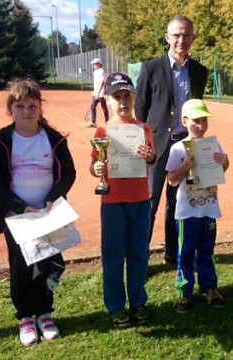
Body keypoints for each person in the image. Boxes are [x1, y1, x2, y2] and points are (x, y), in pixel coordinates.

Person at [0, 78, 76, 346]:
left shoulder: (54, 139)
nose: (26, 111)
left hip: (49, 216)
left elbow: (68, 174)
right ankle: (25, 317)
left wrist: (51, 199)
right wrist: (18, 206)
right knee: (22, 268)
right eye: (20, 105)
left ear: (40, 107)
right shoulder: (0, 141)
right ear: (10, 108)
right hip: (17, 218)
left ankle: (45, 312)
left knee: (49, 264)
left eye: (32, 105)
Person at [134, 15, 208, 265]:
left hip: (186, 144)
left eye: (186, 35)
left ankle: (171, 253)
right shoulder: (150, 68)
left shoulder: (199, 71)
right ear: (167, 38)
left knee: (177, 201)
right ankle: (141, 257)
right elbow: (141, 109)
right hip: (158, 146)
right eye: (176, 35)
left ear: (193, 38)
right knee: (151, 201)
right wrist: (150, 139)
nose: (181, 40)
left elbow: (197, 108)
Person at [89, 72, 156, 328]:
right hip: (113, 202)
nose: (123, 102)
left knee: (139, 253)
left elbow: (152, 159)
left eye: (127, 96)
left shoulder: (144, 128)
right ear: (107, 100)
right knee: (113, 255)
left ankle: (138, 301)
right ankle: (116, 306)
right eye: (117, 97)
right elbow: (94, 164)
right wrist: (96, 169)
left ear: (134, 97)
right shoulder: (103, 130)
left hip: (140, 200)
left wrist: (150, 155)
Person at [166, 99, 229, 313]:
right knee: (185, 252)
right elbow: (171, 180)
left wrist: (224, 161)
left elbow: (221, 170)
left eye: (204, 120)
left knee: (207, 250)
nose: (201, 126)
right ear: (184, 121)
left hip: (209, 208)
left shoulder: (214, 145)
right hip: (186, 211)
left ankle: (209, 288)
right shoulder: (177, 148)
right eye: (196, 121)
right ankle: (184, 293)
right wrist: (184, 166)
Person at [86, 58, 109, 127]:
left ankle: (107, 122)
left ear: (99, 64)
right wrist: (95, 92)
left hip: (101, 93)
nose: (94, 65)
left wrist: (98, 94)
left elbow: (102, 83)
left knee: (104, 107)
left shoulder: (102, 71)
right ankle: (93, 122)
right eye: (93, 64)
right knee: (93, 106)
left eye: (95, 64)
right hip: (95, 92)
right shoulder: (95, 72)